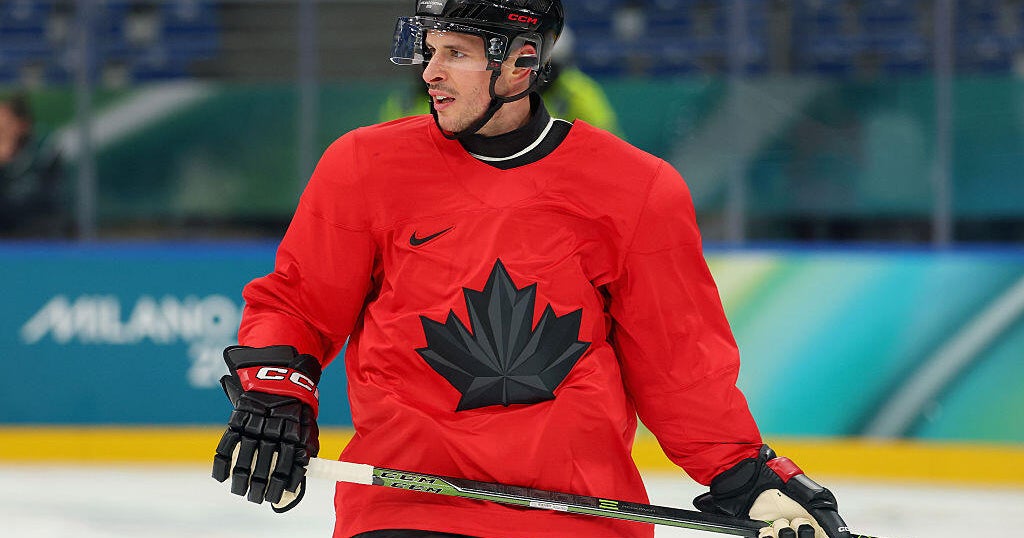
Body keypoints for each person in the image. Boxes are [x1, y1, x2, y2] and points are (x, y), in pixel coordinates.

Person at [212, 1, 854, 537]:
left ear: (522, 62)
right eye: (429, 51)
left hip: (578, 514)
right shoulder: (363, 166)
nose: (430, 72)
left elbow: (678, 362)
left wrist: (743, 473)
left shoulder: (637, 189)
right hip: (408, 507)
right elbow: (298, 304)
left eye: (455, 53)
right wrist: (277, 392)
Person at [378, 25, 622, 136]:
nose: (431, 72)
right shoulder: (406, 101)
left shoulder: (577, 92)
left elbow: (602, 143)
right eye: (430, 55)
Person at [0, 92, 67, 237]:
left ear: (23, 125)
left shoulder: (43, 149)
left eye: (6, 125)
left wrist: (9, 163)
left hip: (38, 229)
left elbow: (41, 197)